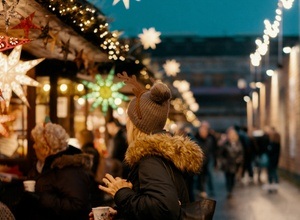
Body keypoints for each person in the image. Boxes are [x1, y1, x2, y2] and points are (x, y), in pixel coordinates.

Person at [94, 73, 204, 220]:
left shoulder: (150, 158)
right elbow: (151, 205)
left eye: (129, 119)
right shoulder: (164, 153)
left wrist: (121, 192)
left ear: (136, 125)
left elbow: (164, 208)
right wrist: (120, 212)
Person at [16, 119, 92, 220]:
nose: (33, 146)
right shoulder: (41, 165)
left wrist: (40, 198)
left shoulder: (70, 169)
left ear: (46, 148)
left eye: (36, 143)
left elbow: (77, 207)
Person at [219, 126, 243, 199]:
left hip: (235, 164)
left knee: (232, 178)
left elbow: (241, 153)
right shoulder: (225, 144)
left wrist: (239, 160)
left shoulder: (238, 143)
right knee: (228, 178)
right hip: (227, 164)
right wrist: (223, 161)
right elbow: (220, 153)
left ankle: (231, 190)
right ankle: (229, 191)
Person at [194, 122, 216, 198]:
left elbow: (214, 149)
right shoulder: (196, 138)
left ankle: (211, 190)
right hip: (200, 160)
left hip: (208, 159)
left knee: (209, 175)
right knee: (200, 177)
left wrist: (215, 160)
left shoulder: (211, 138)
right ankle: (201, 190)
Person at [266, 127, 281, 193]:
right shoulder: (277, 144)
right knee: (274, 172)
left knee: (271, 174)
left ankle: (272, 186)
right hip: (275, 161)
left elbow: (269, 152)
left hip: (271, 161)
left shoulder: (273, 144)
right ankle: (274, 186)